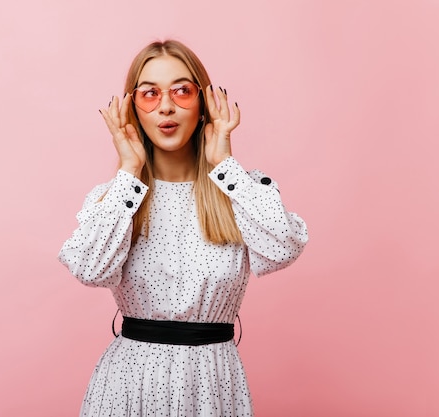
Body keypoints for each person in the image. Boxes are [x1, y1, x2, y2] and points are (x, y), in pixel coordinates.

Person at [58, 39, 308, 417]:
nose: (166, 106)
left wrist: (224, 163)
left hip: (212, 386)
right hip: (129, 386)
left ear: (204, 102)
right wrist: (129, 171)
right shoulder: (118, 199)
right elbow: (91, 270)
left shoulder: (238, 191)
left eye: (182, 90)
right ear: (132, 108)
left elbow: (283, 248)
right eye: (149, 94)